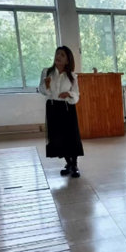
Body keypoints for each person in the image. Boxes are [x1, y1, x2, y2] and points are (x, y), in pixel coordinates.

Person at [39, 46, 83, 178]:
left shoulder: (72, 76)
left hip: (67, 107)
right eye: (57, 53)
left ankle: (74, 165)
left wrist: (69, 94)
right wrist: (46, 85)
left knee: (71, 136)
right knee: (57, 137)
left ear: (67, 60)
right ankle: (68, 163)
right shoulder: (47, 72)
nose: (58, 56)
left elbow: (76, 95)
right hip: (53, 106)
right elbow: (43, 91)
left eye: (62, 55)